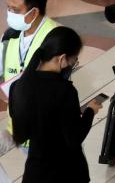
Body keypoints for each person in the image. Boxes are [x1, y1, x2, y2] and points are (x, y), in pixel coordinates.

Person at [10, 24, 104, 181]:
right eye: (74, 60)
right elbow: (73, 139)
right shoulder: (65, 91)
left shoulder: (19, 86)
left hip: (35, 172)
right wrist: (90, 112)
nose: (73, 64)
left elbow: (24, 128)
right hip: (65, 172)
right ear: (61, 58)